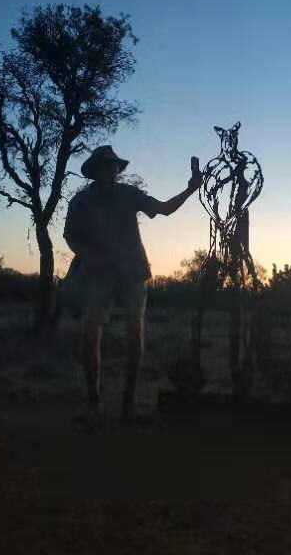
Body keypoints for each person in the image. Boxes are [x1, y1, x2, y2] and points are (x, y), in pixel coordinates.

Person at [61, 145, 202, 424]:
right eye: (106, 165)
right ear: (96, 169)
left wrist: (191, 190)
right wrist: (93, 258)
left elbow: (163, 209)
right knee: (90, 334)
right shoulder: (81, 201)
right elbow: (71, 237)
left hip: (133, 272)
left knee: (135, 332)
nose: (111, 169)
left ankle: (129, 401)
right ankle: (93, 401)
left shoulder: (129, 194)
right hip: (97, 275)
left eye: (114, 165)